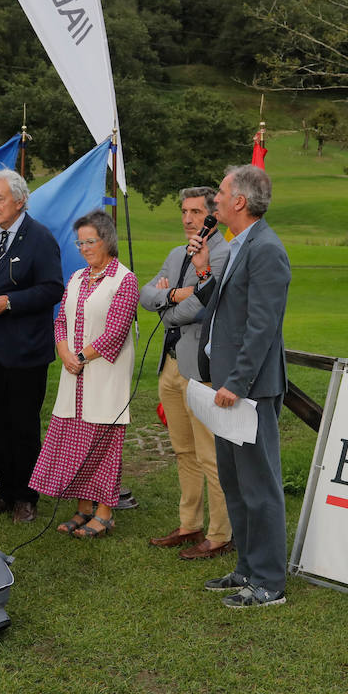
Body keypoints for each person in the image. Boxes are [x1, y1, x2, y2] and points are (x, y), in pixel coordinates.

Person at [188, 164, 292, 608]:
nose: (215, 202)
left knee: (258, 485)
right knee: (234, 482)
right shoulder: (239, 244)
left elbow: (261, 327)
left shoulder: (267, 249)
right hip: (229, 387)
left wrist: (237, 381)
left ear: (240, 203)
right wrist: (204, 273)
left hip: (247, 388)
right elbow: (230, 310)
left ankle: (269, 581)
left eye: (222, 193)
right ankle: (247, 568)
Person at [0, 169, 63, 524]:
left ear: (19, 200)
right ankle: (5, 491)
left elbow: (52, 289)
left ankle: (26, 496)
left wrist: (10, 301)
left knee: (23, 425)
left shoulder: (40, 238)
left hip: (25, 350)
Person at [30, 210, 138, 539]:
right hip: (73, 374)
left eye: (90, 241)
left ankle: (105, 512)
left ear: (107, 241)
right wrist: (64, 353)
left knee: (102, 443)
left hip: (104, 375)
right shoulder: (76, 278)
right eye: (80, 243)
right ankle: (83, 509)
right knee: (76, 440)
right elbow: (61, 319)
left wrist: (79, 356)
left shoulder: (125, 280)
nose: (84, 248)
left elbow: (115, 333)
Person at [139, 186, 233, 559]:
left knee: (210, 454)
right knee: (183, 450)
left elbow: (197, 308)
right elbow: (146, 294)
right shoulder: (178, 253)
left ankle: (220, 533)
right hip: (172, 365)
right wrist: (170, 297)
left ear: (213, 214)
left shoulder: (224, 253)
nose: (188, 219)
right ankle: (189, 524)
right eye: (184, 211)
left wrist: (170, 303)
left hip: (204, 368)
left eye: (196, 211)